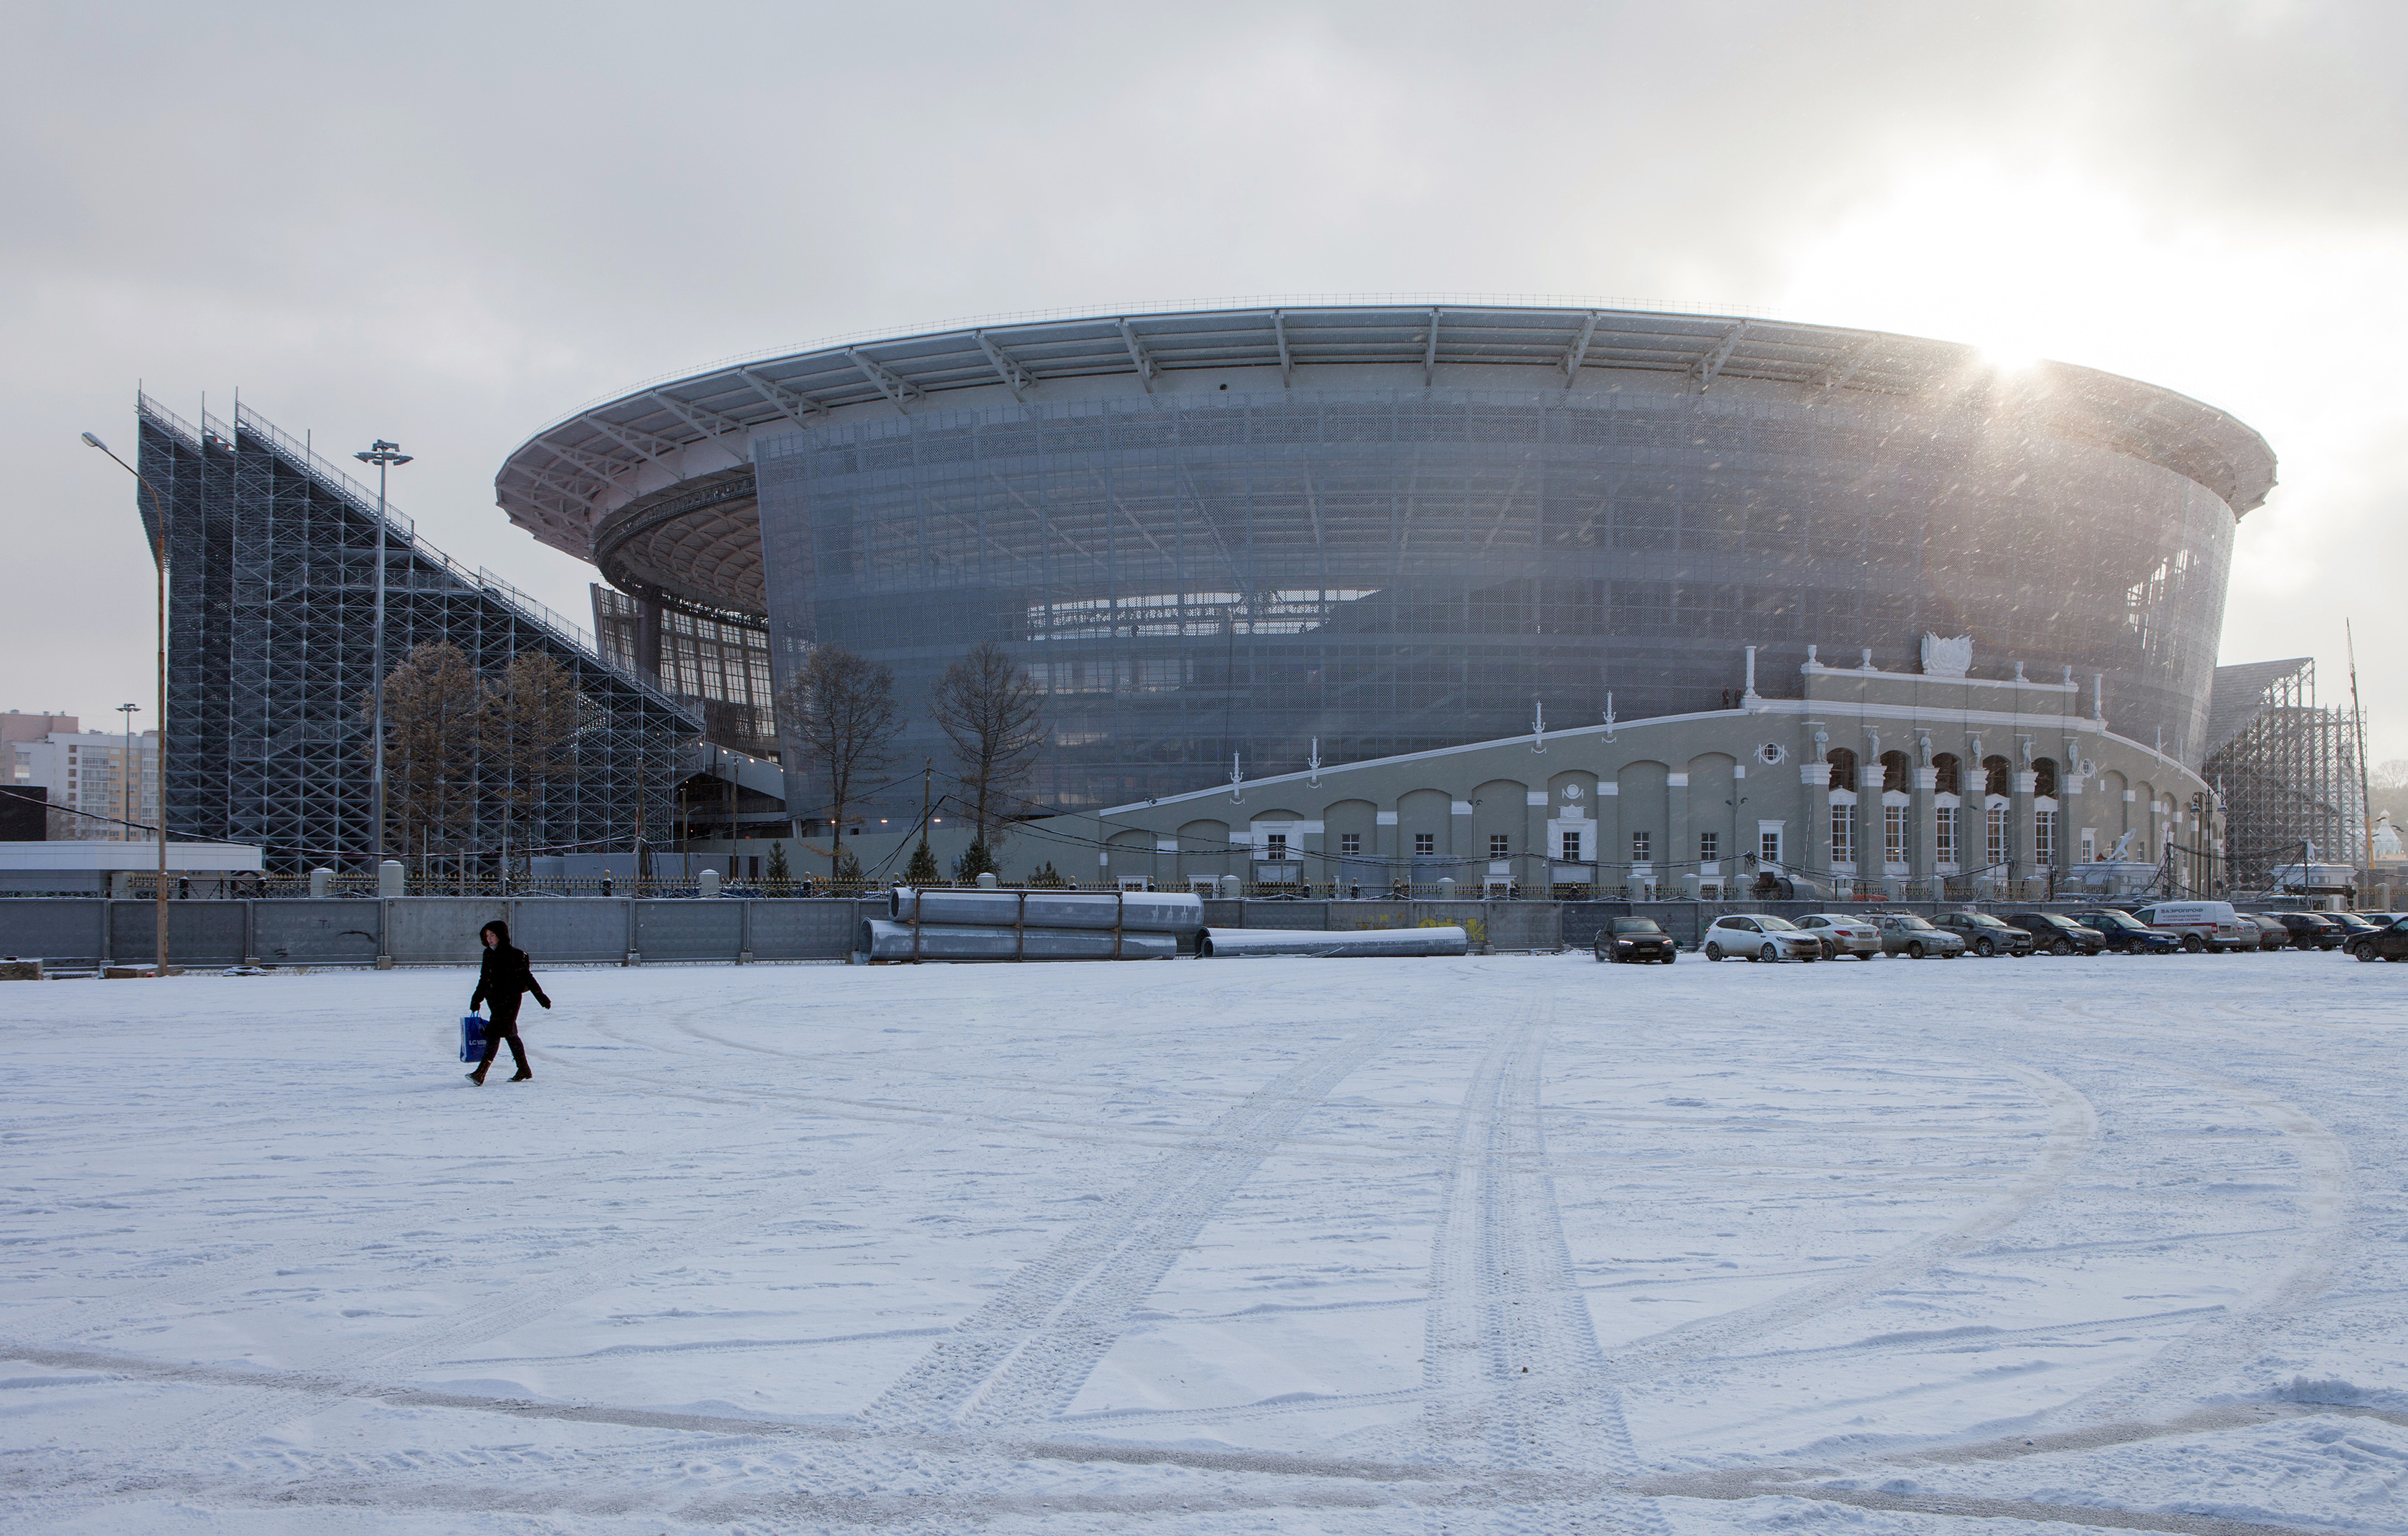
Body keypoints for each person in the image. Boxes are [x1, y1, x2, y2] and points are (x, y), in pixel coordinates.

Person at [467, 919, 550, 1085]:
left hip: (510, 1000)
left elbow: (528, 977)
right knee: (511, 1034)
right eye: (487, 935)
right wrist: (477, 999)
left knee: (494, 1033)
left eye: (493, 935)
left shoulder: (514, 954)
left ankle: (480, 1072)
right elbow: (484, 978)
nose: (490, 939)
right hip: (494, 1000)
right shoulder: (488, 953)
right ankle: (524, 1069)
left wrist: (541, 997)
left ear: (502, 936)